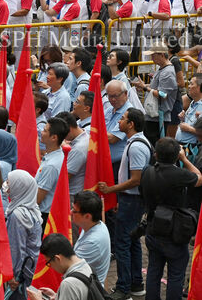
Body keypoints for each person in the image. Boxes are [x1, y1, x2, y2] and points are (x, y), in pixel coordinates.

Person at [97, 108, 151, 300]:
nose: (119, 122)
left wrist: (112, 190)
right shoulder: (135, 143)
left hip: (132, 201)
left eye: (123, 119)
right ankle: (136, 284)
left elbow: (136, 179)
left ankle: (123, 288)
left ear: (131, 124)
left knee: (122, 244)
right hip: (129, 200)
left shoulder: (136, 146)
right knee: (132, 242)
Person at [140, 137, 202, 300]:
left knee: (153, 271)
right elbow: (199, 177)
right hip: (174, 232)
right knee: (175, 275)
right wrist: (184, 159)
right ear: (175, 156)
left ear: (156, 155)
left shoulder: (147, 171)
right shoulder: (180, 175)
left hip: (153, 229)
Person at [5, 170, 43, 300]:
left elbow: (16, 249)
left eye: (10, 182)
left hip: (21, 275)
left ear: (19, 187)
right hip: (31, 268)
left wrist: (12, 276)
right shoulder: (32, 207)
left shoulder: (18, 216)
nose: (7, 185)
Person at [28, 234, 99, 300]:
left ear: (57, 258)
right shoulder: (87, 267)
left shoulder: (69, 284)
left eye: (49, 263)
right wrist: (58, 296)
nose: (50, 267)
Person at [72, 191, 111, 285]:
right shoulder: (93, 225)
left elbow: (70, 269)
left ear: (87, 216)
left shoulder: (92, 242)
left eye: (74, 211)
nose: (70, 212)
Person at [36, 118, 70, 223]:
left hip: (43, 215)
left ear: (54, 138)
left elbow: (38, 198)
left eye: (45, 130)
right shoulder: (53, 156)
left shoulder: (52, 165)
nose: (41, 132)